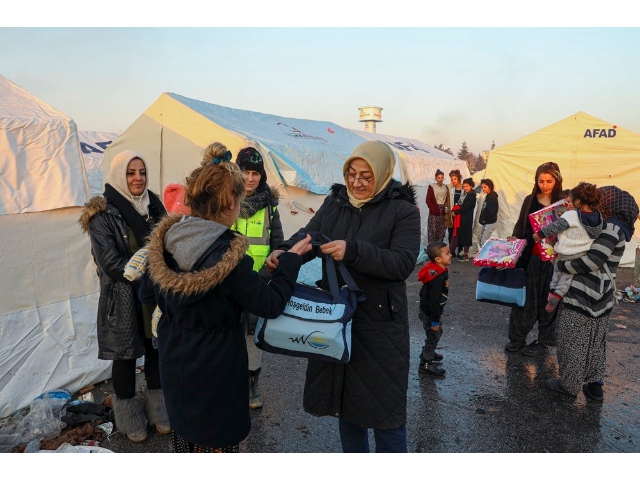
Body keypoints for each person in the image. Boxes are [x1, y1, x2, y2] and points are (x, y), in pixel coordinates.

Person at [146, 142, 312, 453]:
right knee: (218, 444)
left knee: (185, 439)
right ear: (230, 205)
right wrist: (291, 261)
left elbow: (146, 291)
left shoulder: (168, 239)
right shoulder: (227, 258)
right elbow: (270, 304)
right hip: (216, 372)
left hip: (176, 365)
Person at [264, 140, 421, 453]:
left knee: (386, 416)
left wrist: (355, 251)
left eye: (366, 176)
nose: (357, 183)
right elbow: (308, 237)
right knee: (347, 408)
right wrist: (284, 253)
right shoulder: (335, 203)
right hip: (337, 318)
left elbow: (402, 263)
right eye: (352, 174)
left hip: (379, 326)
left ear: (383, 173)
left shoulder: (402, 211)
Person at [79, 150, 169, 443]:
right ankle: (130, 418)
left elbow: (167, 244)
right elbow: (110, 263)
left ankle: (159, 411)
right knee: (126, 356)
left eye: (142, 172)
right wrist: (152, 266)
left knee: (156, 350)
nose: (138, 178)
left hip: (152, 294)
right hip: (122, 296)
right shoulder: (102, 214)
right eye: (131, 173)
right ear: (120, 175)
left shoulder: (154, 206)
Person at [545, 185, 638, 400]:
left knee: (573, 340)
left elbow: (592, 261)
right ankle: (594, 387)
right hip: (602, 297)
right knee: (595, 343)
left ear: (610, 204)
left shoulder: (611, 229)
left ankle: (568, 385)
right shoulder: (611, 227)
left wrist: (560, 266)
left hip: (584, 294)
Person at [230, 146, 284, 410]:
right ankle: (230, 383)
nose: (250, 179)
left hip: (258, 282)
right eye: (245, 172)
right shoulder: (225, 201)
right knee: (228, 334)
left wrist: (267, 271)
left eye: (255, 173)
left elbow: (279, 244)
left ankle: (252, 386)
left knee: (252, 336)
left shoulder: (270, 207)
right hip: (227, 282)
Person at [505, 162, 564, 356]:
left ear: (557, 180)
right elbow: (521, 224)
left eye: (549, 181)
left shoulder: (564, 203)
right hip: (531, 258)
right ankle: (517, 338)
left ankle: (543, 341)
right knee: (525, 300)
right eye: (541, 181)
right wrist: (515, 239)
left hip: (554, 262)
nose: (545, 185)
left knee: (549, 301)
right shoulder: (530, 200)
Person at [532, 182, 603, 313]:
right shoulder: (598, 217)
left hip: (565, 252)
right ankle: (557, 295)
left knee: (557, 271)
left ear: (578, 201)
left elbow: (554, 227)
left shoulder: (572, 215)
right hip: (581, 254)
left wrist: (539, 235)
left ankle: (553, 291)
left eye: (571, 200)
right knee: (567, 276)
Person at [417, 241, 452, 377]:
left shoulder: (440, 270)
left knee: (435, 334)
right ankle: (426, 363)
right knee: (433, 336)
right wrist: (435, 321)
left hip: (432, 311)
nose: (451, 255)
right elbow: (433, 301)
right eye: (447, 253)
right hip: (430, 313)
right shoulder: (437, 278)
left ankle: (428, 351)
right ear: (438, 259)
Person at [450, 178, 477, 262]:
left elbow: (466, 207)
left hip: (466, 219)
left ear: (471, 186)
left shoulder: (471, 195)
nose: (465, 188)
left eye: (467, 186)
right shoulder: (466, 194)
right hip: (461, 218)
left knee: (463, 236)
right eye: (464, 186)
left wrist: (456, 211)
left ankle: (464, 254)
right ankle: (455, 253)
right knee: (458, 235)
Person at [426, 169, 451, 243]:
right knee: (433, 229)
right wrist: (433, 209)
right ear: (436, 178)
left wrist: (445, 209)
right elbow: (428, 199)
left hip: (442, 210)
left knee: (441, 230)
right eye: (439, 177)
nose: (440, 179)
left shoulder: (445, 187)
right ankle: (432, 247)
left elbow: (447, 199)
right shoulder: (432, 186)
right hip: (434, 209)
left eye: (442, 177)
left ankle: (439, 247)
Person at [447, 169, 464, 256]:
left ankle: (460, 250)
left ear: (459, 179)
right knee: (451, 231)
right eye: (451, 179)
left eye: (455, 179)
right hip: (452, 213)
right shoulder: (450, 188)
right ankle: (451, 250)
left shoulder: (464, 189)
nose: (453, 181)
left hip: (461, 213)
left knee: (460, 232)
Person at [478, 178, 499, 248]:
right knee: (483, 240)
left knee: (484, 241)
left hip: (490, 222)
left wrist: (484, 219)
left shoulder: (492, 197)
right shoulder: (489, 196)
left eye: (485, 187)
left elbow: (492, 210)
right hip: (488, 222)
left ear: (490, 186)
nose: (483, 189)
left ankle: (485, 257)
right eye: (482, 187)